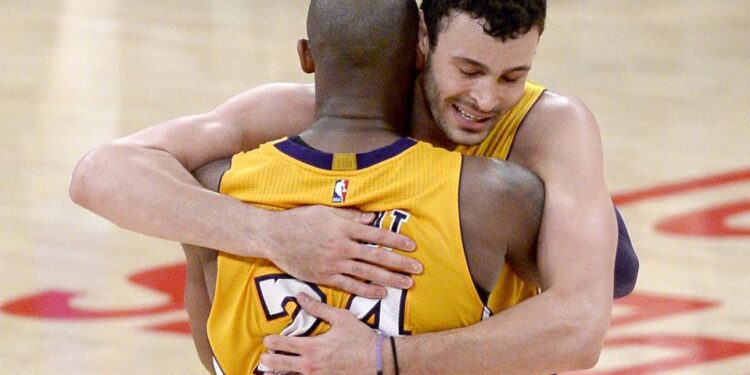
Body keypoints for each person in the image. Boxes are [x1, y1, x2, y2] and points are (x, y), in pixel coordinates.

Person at [69, 0, 637, 372]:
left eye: (513, 76)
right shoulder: (293, 111)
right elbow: (100, 172)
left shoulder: (548, 125)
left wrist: (382, 356)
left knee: (612, 262)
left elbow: (581, 327)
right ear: (421, 43)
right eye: (468, 70)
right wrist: (269, 232)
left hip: (515, 275)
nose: (486, 100)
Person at [185, 3, 544, 374]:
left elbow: (213, 359)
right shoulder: (495, 196)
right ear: (421, 54)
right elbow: (563, 331)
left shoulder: (213, 189)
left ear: (307, 57)